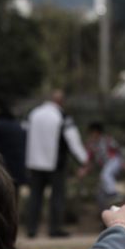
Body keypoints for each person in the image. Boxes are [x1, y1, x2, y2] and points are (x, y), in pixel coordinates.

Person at [24, 91, 88, 239]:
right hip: (56, 164)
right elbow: (73, 140)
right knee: (57, 197)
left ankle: (31, 229)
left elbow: (24, 132)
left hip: (34, 162)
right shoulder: (62, 116)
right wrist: (83, 159)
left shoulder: (33, 114)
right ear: (61, 102)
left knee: (35, 197)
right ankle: (54, 228)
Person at [78, 122, 125, 212]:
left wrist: (124, 161)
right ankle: (105, 212)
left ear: (97, 132)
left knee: (105, 174)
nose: (91, 136)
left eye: (92, 133)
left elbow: (119, 149)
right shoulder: (91, 145)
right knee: (101, 191)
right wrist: (84, 170)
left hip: (114, 160)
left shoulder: (107, 140)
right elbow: (90, 161)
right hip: (106, 165)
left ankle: (114, 194)